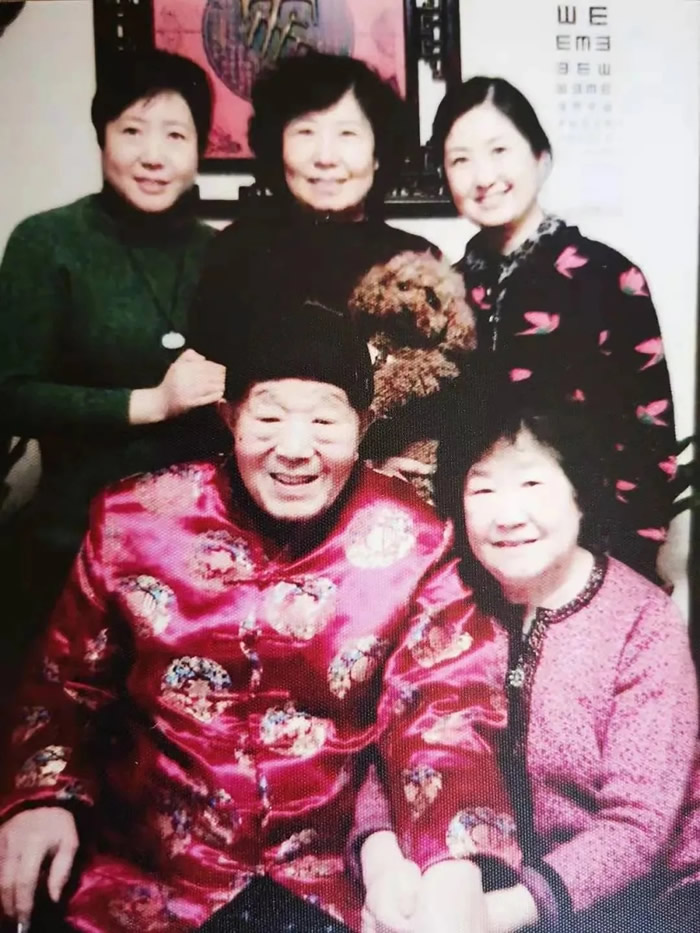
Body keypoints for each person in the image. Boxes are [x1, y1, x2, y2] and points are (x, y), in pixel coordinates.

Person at [0, 301, 520, 933]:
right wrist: (42, 798)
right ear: (230, 417)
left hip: (335, 881)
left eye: (324, 421)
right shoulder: (134, 521)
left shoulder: (417, 540)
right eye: (268, 417)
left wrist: (451, 863)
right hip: (151, 874)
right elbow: (63, 683)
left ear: (363, 423)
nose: (294, 449)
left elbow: (446, 707)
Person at [356, 381, 697, 933]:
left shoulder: (642, 620)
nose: (507, 516)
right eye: (483, 489)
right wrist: (383, 862)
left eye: (533, 484)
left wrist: (490, 917)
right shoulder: (446, 600)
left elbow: (639, 824)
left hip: (626, 904)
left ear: (579, 494)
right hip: (459, 886)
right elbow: (394, 753)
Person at [0, 50, 226, 644]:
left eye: (175, 135)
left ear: (199, 148)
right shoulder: (47, 242)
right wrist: (149, 403)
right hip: (76, 538)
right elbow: (10, 395)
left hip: (198, 545)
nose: (153, 155)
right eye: (132, 131)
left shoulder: (221, 252)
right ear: (102, 136)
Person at [431, 76, 677, 583]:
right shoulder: (443, 290)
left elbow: (650, 430)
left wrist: (631, 564)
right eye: (461, 160)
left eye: (499, 150)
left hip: (594, 552)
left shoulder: (608, 276)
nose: (483, 176)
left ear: (540, 158)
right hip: (477, 555)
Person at [188, 52, 449, 488]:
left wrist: (392, 466)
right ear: (277, 146)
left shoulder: (416, 258)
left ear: (379, 152)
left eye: (347, 134)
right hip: (260, 483)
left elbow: (441, 387)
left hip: (382, 490)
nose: (325, 157)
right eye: (305, 132)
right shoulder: (235, 250)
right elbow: (210, 396)